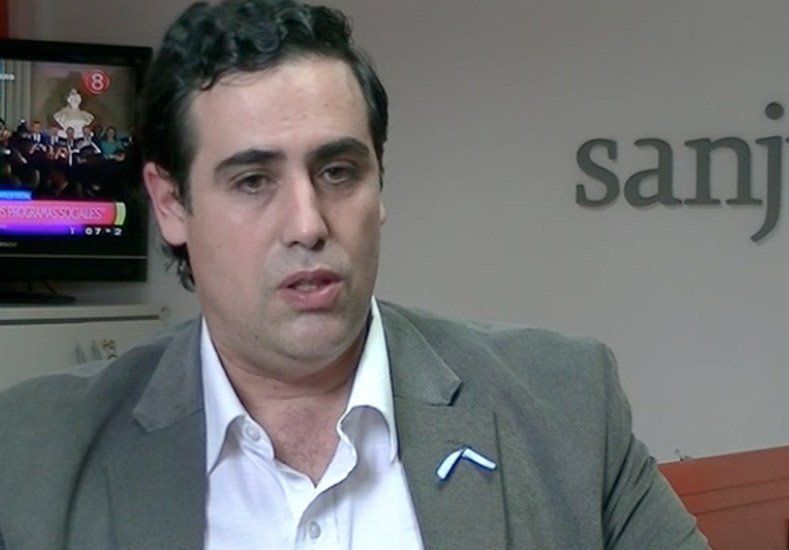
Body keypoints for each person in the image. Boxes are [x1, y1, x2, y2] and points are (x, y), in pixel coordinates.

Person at [0, 1, 709, 549]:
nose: (308, 223)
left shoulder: (566, 406)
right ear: (170, 204)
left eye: (338, 171)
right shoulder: (31, 454)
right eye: (253, 181)